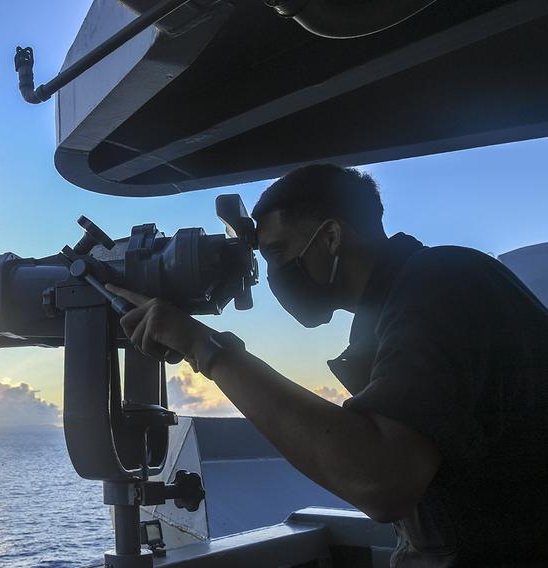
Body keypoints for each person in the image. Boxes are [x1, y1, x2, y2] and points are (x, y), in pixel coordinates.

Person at [106, 164, 548, 566]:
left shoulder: (440, 289)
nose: (276, 274)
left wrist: (207, 349)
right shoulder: (415, 293)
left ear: (332, 237)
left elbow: (380, 479)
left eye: (279, 252)